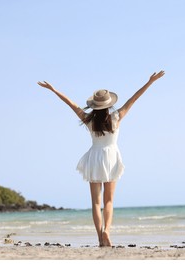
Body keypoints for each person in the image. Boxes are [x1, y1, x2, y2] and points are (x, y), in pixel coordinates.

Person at [37, 70, 165, 247]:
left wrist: (53, 90)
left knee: (96, 203)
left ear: (94, 106)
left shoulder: (89, 120)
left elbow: (71, 104)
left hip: (95, 157)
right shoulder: (116, 117)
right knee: (109, 201)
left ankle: (99, 238)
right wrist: (150, 81)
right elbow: (134, 98)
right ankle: (107, 231)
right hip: (111, 157)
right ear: (108, 104)